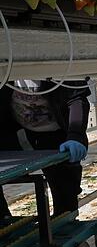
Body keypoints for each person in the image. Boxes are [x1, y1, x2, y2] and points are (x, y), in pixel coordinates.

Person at [0, 79, 90, 220]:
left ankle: (65, 224)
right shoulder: (7, 68)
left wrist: (75, 135)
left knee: (64, 188)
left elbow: (76, 99)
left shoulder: (57, 66)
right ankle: (5, 223)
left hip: (56, 136)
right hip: (20, 133)